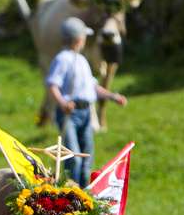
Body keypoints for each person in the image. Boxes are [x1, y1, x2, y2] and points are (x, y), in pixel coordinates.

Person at [46, 16, 127, 186]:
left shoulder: (82, 60)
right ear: (78, 39)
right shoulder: (63, 59)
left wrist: (112, 96)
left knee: (86, 156)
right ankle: (70, 191)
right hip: (70, 113)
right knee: (73, 156)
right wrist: (63, 103)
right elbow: (53, 84)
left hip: (85, 113)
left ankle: (84, 193)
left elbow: (92, 87)